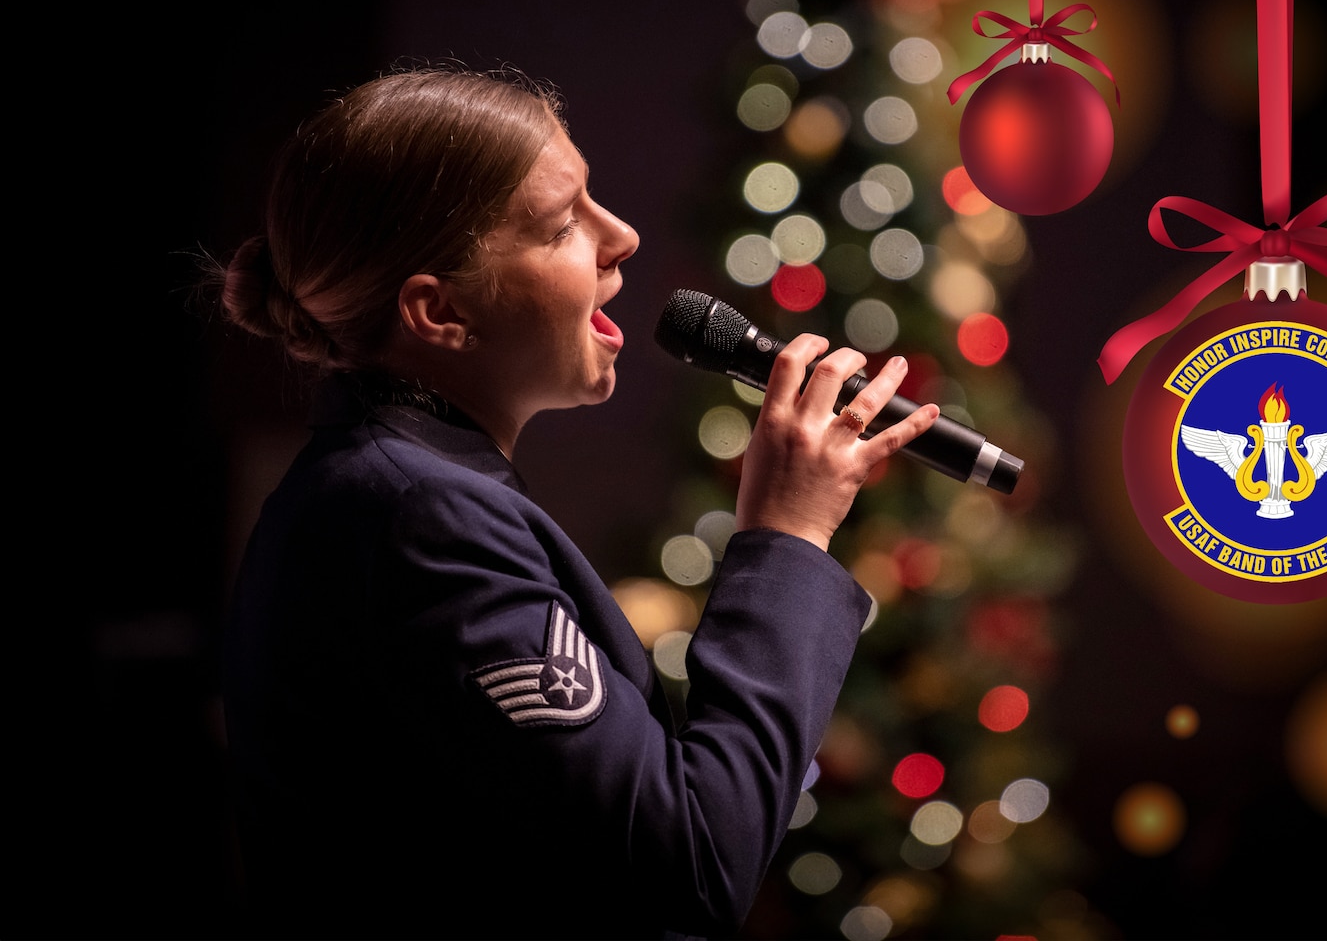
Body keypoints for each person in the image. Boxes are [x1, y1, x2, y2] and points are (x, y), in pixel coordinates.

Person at [216, 67, 938, 937]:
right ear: (439, 311)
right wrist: (786, 536)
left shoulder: (400, 492)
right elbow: (694, 861)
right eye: (563, 225)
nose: (622, 237)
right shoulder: (417, 521)